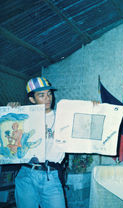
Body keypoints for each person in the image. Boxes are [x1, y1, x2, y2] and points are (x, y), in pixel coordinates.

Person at [11, 77, 66, 208]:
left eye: (49, 94)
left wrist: (94, 108)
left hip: (51, 175)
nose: (48, 98)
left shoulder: (63, 117)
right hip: (27, 174)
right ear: (32, 99)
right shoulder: (24, 117)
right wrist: (11, 111)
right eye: (41, 95)